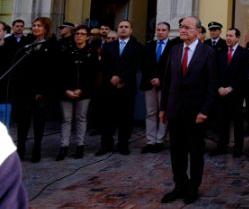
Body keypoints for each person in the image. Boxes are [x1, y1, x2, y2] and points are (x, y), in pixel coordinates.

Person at [160, 16, 218, 205]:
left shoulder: (207, 52)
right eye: (181, 26)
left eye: (187, 27)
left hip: (196, 114)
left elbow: (212, 85)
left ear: (198, 31)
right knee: (176, 152)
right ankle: (180, 185)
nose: (182, 29)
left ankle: (193, 187)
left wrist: (204, 111)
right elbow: (167, 82)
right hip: (175, 111)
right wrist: (163, 108)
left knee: (195, 151)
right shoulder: (175, 50)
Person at [11, 17, 55, 162]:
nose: (35, 28)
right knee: (23, 123)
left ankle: (37, 150)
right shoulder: (26, 43)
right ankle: (21, 149)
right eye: (34, 25)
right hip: (24, 91)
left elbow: (51, 72)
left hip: (40, 93)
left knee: (38, 124)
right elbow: (19, 67)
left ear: (46, 29)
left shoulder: (51, 45)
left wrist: (41, 91)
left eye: (39, 26)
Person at [96, 19, 143, 156]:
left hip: (127, 87)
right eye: (121, 27)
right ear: (117, 29)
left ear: (131, 30)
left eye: (126, 27)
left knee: (126, 118)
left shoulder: (137, 47)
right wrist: (113, 77)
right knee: (107, 118)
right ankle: (106, 144)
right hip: (109, 86)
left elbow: (135, 65)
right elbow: (103, 64)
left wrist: (121, 78)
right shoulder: (109, 46)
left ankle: (123, 144)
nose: (123, 29)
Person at [56, 25, 99, 160]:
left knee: (81, 118)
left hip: (84, 91)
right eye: (77, 34)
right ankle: (64, 146)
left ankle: (80, 145)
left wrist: (82, 89)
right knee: (66, 119)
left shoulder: (91, 52)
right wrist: (66, 89)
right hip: (66, 91)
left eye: (82, 34)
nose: (79, 36)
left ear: (87, 36)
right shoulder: (66, 50)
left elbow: (93, 74)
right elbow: (59, 72)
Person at [212, 27, 249, 157]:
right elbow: (215, 72)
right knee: (222, 120)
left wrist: (231, 88)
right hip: (221, 93)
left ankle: (238, 147)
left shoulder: (244, 53)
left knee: (238, 121)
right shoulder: (220, 52)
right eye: (227, 35)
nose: (228, 38)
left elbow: (243, 74)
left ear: (237, 38)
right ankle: (222, 145)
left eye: (231, 36)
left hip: (236, 93)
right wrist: (219, 88)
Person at [140, 22, 172, 154]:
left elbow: (171, 68)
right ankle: (150, 141)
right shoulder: (149, 45)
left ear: (168, 32)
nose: (160, 32)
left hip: (164, 85)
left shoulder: (173, 47)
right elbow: (144, 64)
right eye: (158, 30)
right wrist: (152, 78)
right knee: (150, 113)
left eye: (163, 30)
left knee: (163, 113)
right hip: (149, 84)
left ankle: (160, 140)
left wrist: (160, 79)